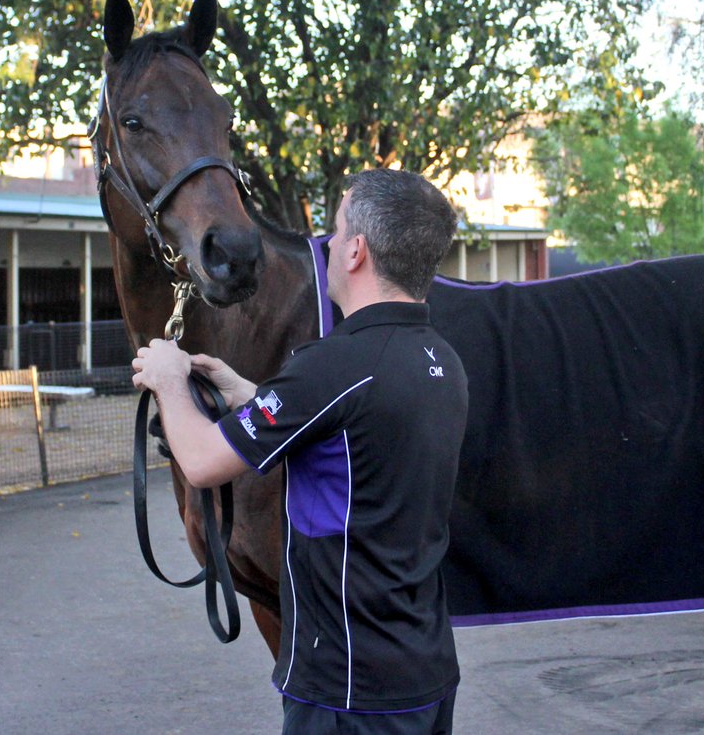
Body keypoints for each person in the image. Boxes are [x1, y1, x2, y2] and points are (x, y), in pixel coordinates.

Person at [132, 169, 469, 734]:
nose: (329, 246)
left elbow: (200, 460)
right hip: (424, 673)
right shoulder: (440, 360)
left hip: (347, 690)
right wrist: (254, 397)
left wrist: (168, 380)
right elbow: (353, 438)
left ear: (357, 251)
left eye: (335, 233)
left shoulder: (333, 364)